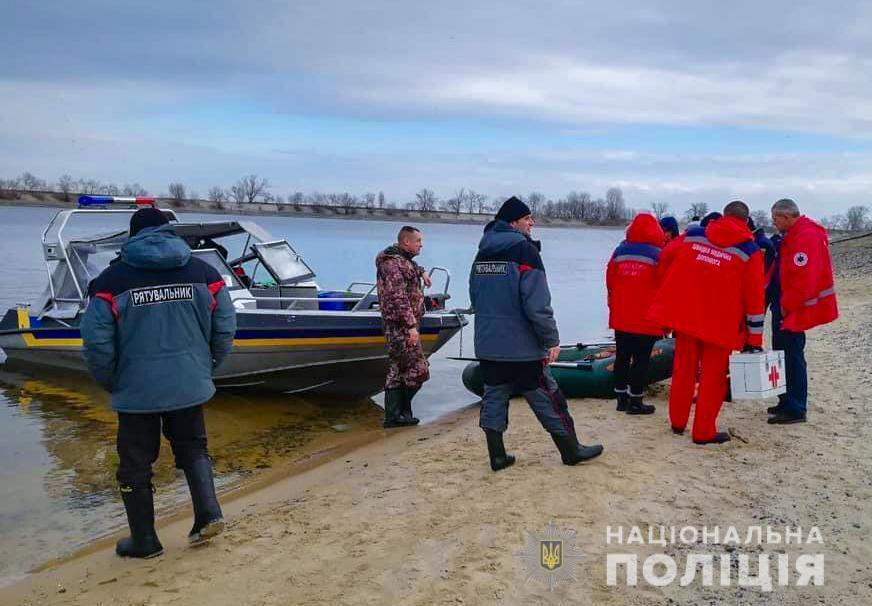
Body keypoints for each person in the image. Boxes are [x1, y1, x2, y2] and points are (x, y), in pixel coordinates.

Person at [81, 207, 236, 558]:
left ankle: (145, 541)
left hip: (136, 389)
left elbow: (95, 344)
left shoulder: (109, 282)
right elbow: (226, 328)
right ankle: (208, 515)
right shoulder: (205, 273)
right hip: (189, 381)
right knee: (193, 447)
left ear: (132, 235)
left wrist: (111, 381)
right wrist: (205, 368)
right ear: (169, 232)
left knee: (135, 463)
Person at [469, 196, 603, 471]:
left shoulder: (482, 252)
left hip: (488, 342)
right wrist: (551, 339)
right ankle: (571, 450)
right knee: (547, 396)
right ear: (513, 222)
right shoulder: (525, 251)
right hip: (522, 346)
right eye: (528, 218)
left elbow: (475, 297)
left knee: (494, 396)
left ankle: (497, 456)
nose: (533, 222)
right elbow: (538, 304)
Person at [648, 201, 765, 444]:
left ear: (724, 216)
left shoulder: (694, 237)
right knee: (714, 379)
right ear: (746, 222)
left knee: (682, 371)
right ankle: (703, 432)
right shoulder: (750, 251)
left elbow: (665, 256)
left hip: (687, 316)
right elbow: (755, 299)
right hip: (721, 324)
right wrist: (754, 339)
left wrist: (670, 292)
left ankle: (678, 423)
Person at [766, 198, 838, 424]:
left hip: (793, 307)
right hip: (787, 303)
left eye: (775, 219)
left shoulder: (805, 236)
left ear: (786, 217)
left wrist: (788, 307)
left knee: (793, 354)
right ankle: (786, 399)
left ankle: (796, 407)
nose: (774, 223)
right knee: (783, 352)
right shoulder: (796, 234)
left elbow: (802, 278)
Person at [607, 213, 666, 415]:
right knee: (641, 360)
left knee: (622, 357)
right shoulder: (659, 254)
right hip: (646, 318)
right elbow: (664, 286)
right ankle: (636, 400)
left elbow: (610, 280)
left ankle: (621, 398)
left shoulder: (619, 251)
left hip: (622, 315)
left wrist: (613, 303)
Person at [375, 226, 433, 428]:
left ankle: (396, 415)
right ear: (406, 242)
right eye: (418, 241)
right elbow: (397, 298)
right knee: (418, 370)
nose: (421, 245)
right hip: (399, 326)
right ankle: (398, 413)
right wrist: (410, 326)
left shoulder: (403, 260)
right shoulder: (391, 264)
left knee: (398, 369)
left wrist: (423, 272)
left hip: (405, 324)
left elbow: (410, 267)